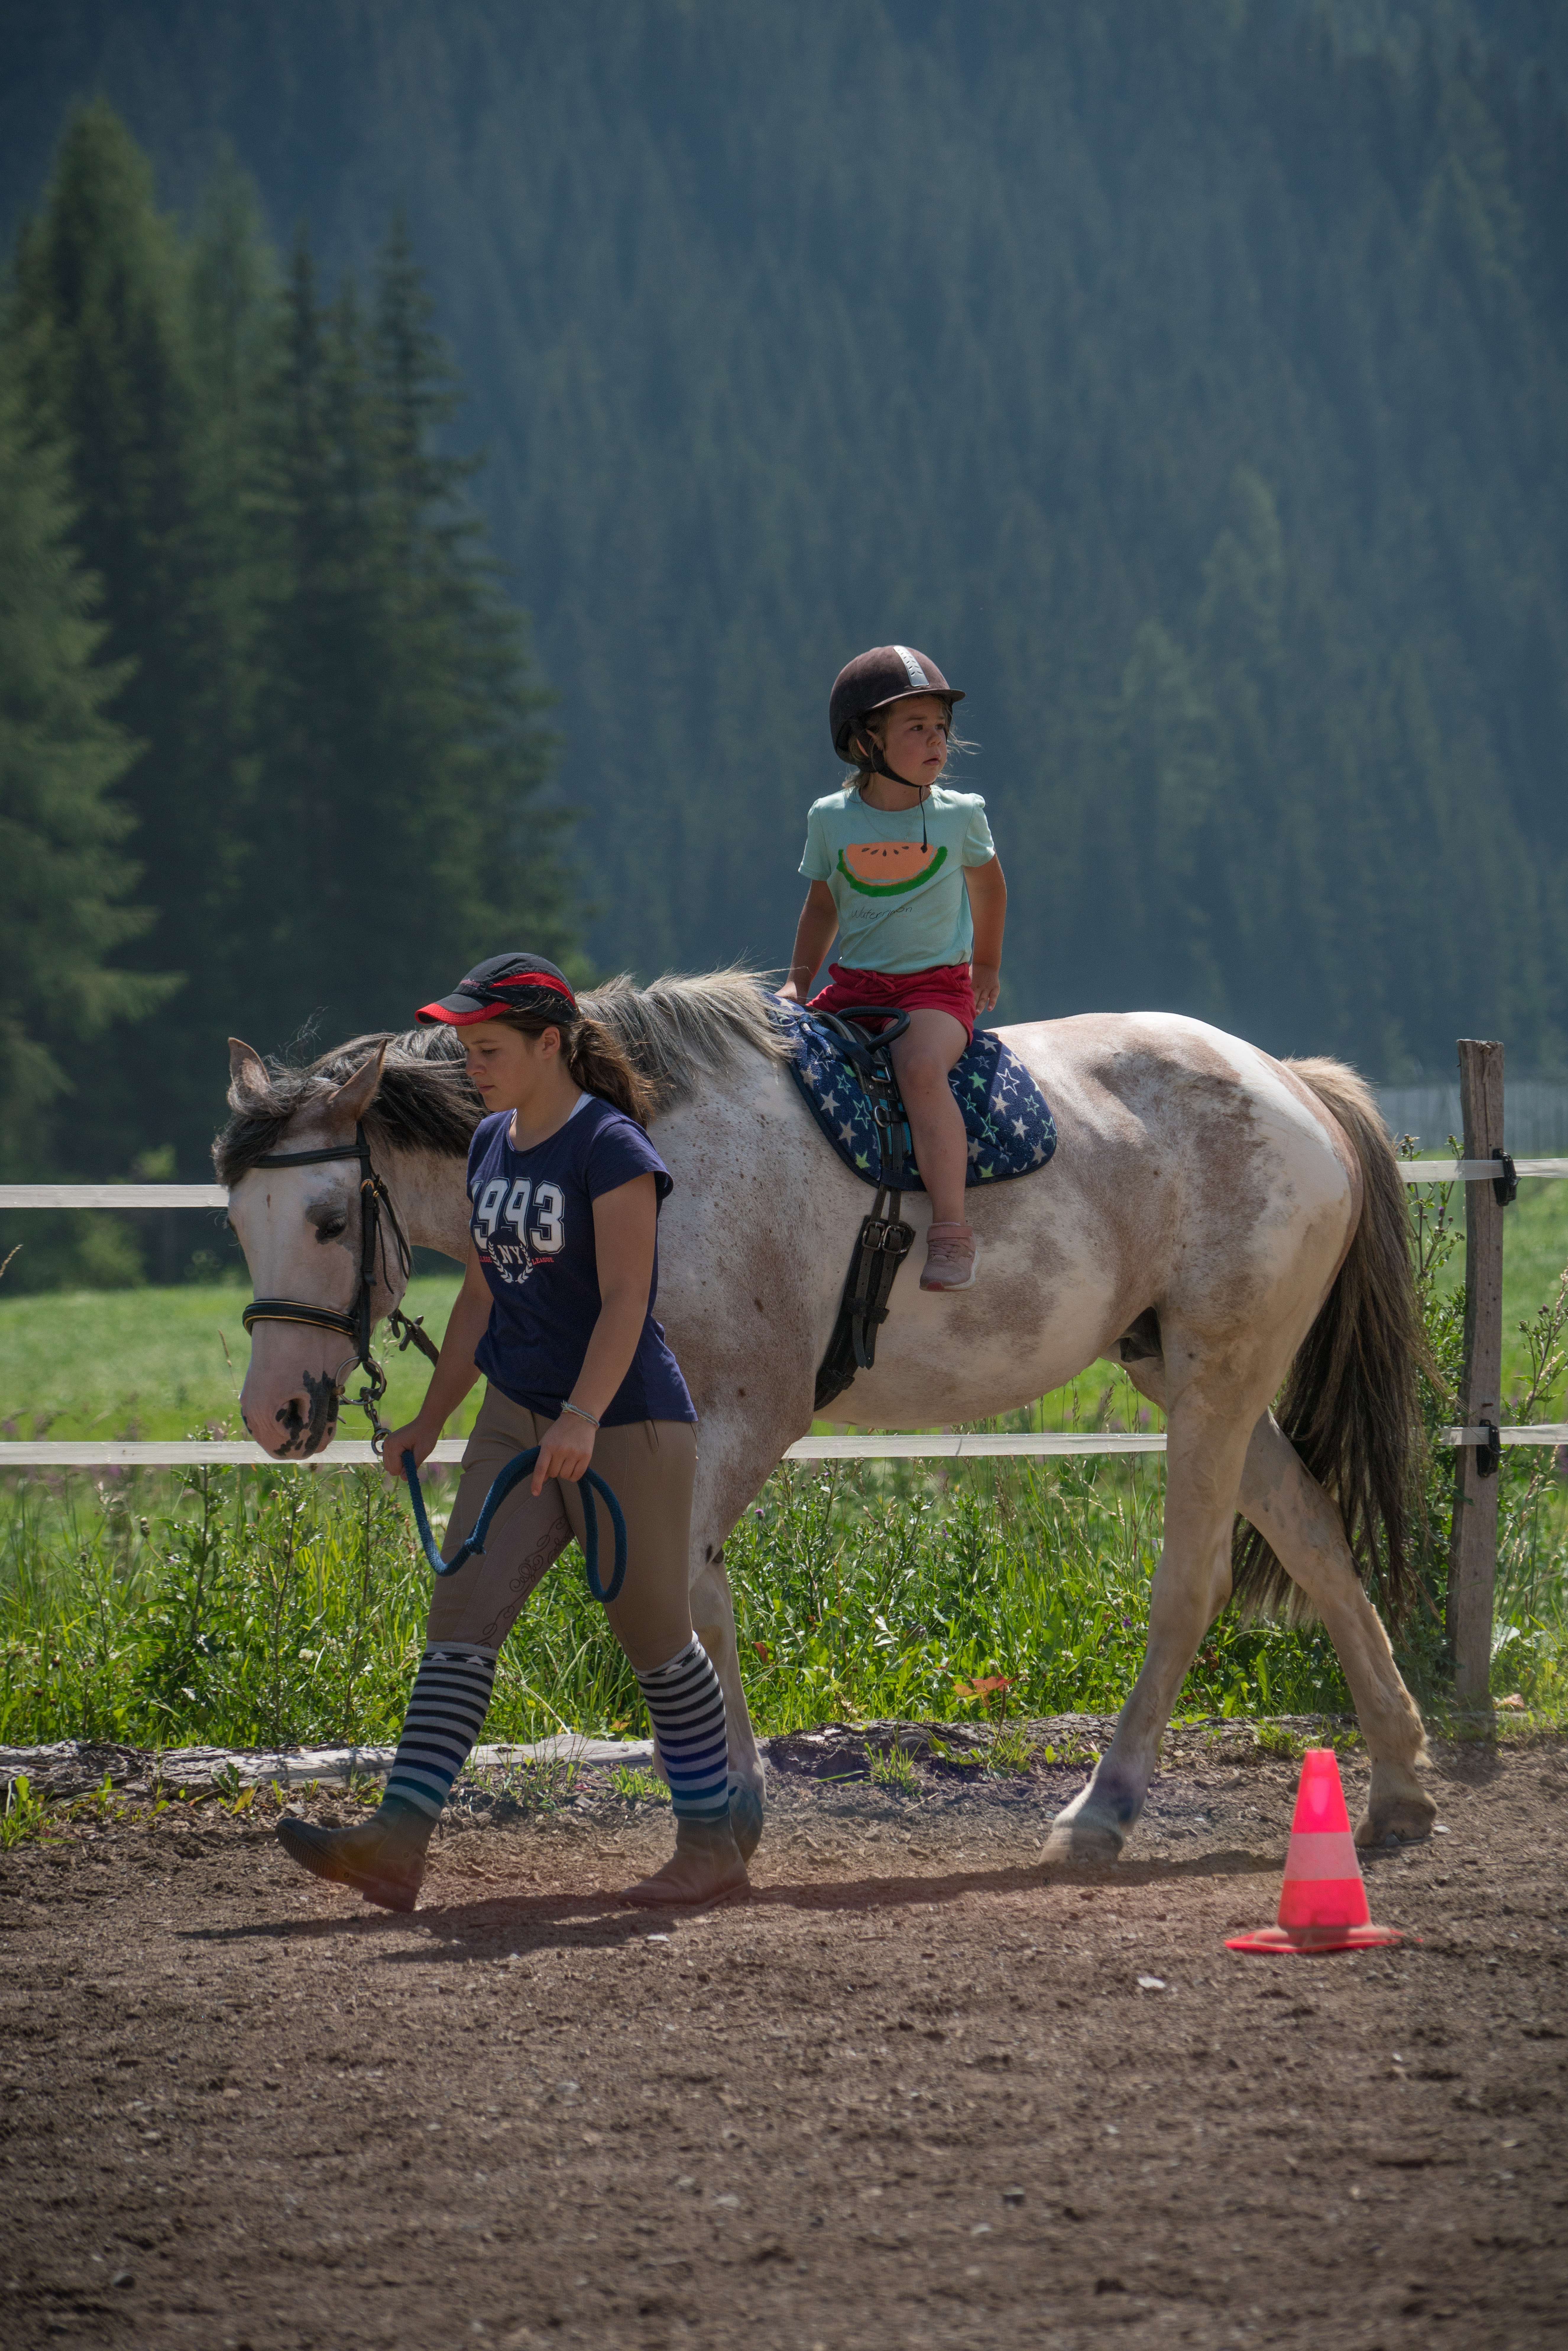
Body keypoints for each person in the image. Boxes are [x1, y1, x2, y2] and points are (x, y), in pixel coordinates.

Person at [275, 952, 746, 1914]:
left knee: (655, 1631)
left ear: (549, 1043)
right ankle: (395, 1846)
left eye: (486, 1049)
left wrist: (579, 1418)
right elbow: (482, 1294)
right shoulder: (490, 1142)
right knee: (461, 1620)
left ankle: (712, 1841)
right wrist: (431, 1419)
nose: (471, 1066)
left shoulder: (610, 1148)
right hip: (512, 1414)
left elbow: (626, 1302)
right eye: (463, 1049)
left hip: (623, 1418)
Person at [779, 645, 1007, 1291]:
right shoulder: (831, 820)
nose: (937, 740)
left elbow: (990, 890)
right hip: (854, 988)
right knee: (783, 1057)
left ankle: (952, 1232)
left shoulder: (963, 816)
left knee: (916, 1066)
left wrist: (986, 963)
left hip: (937, 991)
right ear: (864, 741)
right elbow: (822, 904)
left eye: (941, 728)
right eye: (916, 728)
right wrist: (800, 980)